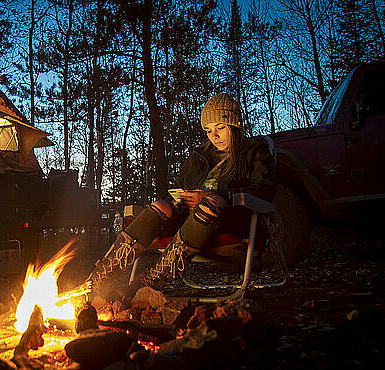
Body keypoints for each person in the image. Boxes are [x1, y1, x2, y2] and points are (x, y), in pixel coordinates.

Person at [85, 93, 277, 299]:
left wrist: (218, 195)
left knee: (210, 204)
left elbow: (264, 190)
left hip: (230, 219)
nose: (214, 136)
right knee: (160, 205)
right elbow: (178, 189)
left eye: (220, 127)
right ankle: (96, 283)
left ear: (235, 125)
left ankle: (149, 282)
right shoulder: (198, 157)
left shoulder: (255, 152)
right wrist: (176, 202)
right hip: (186, 220)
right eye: (208, 130)